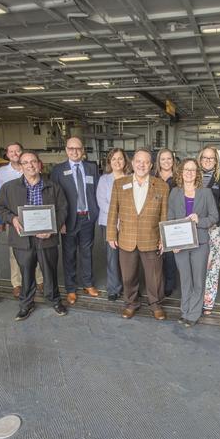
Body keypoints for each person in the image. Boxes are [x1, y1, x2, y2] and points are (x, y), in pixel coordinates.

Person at [0, 151, 68, 320]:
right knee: (26, 273)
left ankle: (54, 300)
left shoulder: (53, 186)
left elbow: (63, 209)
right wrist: (12, 219)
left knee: (49, 272)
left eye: (33, 161)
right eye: (26, 162)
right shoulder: (9, 187)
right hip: (22, 239)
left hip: (47, 238)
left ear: (39, 164)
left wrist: (52, 228)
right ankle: (26, 304)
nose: (30, 165)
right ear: (21, 167)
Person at [106, 147, 169, 320]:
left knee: (155, 276)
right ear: (132, 163)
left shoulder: (162, 186)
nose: (142, 165)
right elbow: (113, 211)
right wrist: (111, 234)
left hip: (151, 238)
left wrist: (164, 238)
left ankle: (156, 304)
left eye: (146, 162)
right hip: (126, 238)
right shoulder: (119, 184)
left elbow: (164, 215)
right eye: (138, 161)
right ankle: (131, 303)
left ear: (151, 165)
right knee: (128, 276)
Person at [168, 159, 218, 326]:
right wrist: (172, 242)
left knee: (198, 279)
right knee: (185, 280)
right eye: (186, 169)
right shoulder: (174, 192)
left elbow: (214, 217)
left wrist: (199, 220)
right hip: (180, 243)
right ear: (180, 172)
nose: (189, 172)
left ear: (197, 173)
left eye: (193, 170)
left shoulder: (206, 192)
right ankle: (185, 311)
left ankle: (194, 314)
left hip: (200, 243)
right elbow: (170, 218)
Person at [51, 137, 100, 305]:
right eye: (71, 148)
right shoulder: (58, 170)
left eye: (78, 148)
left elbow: (97, 192)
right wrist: (60, 221)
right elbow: (55, 198)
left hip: (87, 218)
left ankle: (88, 284)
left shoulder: (92, 168)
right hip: (68, 220)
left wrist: (96, 214)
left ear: (83, 150)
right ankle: (71, 288)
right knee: (69, 254)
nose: (74, 151)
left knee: (87, 252)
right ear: (66, 150)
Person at [0, 142, 43, 297]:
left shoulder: (30, 166)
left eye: (17, 151)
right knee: (15, 252)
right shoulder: (2, 172)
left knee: (36, 248)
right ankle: (17, 283)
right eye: (11, 151)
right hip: (14, 219)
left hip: (35, 217)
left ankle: (39, 279)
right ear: (7, 154)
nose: (15, 153)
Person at [198, 146, 220, 315]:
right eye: (205, 157)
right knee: (196, 263)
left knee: (212, 264)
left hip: (213, 228)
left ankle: (208, 301)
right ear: (200, 158)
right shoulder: (193, 177)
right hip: (195, 227)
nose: (208, 161)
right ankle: (196, 297)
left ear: (216, 161)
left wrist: (216, 222)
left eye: (211, 158)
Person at [96, 148, 131, 301]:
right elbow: (102, 203)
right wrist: (116, 219)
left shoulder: (131, 179)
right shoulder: (104, 179)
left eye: (120, 158)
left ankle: (129, 286)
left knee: (128, 256)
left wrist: (124, 219)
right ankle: (114, 288)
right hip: (108, 223)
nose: (117, 162)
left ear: (125, 161)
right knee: (112, 257)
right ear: (110, 162)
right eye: (114, 159)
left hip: (129, 224)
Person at [155, 148, 178, 297]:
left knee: (170, 256)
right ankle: (156, 282)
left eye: (169, 158)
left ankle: (169, 284)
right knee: (155, 254)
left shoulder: (179, 178)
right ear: (158, 161)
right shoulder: (153, 177)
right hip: (154, 219)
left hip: (172, 219)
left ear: (173, 160)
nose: (166, 161)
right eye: (163, 159)